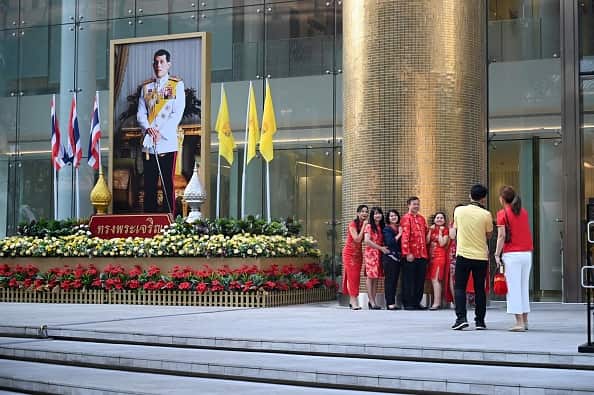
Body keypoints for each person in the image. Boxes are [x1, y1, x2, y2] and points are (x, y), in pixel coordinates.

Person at [137, 49, 185, 215]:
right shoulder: (146, 88)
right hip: (149, 143)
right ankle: (149, 219)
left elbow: (177, 113)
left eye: (162, 62)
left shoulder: (176, 85)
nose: (158, 65)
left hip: (167, 142)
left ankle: (168, 218)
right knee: (149, 184)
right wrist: (148, 128)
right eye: (156, 62)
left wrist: (159, 132)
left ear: (168, 64)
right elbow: (140, 113)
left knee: (167, 184)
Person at [451, 184, 493, 330]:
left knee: (459, 287)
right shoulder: (486, 214)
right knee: (479, 288)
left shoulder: (459, 210)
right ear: (483, 198)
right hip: (481, 256)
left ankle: (461, 318)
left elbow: (454, 231)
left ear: (470, 195)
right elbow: (489, 235)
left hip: (463, 254)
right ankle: (480, 321)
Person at [494, 186, 533, 332]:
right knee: (523, 287)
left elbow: (501, 236)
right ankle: (525, 320)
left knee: (514, 289)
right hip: (526, 253)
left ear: (502, 199)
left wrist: (497, 254)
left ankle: (519, 323)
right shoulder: (523, 212)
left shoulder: (502, 213)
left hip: (512, 254)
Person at [400, 196, 429, 310]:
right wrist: (407, 253)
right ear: (409, 205)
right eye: (414, 204)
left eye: (417, 204)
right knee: (408, 279)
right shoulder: (405, 218)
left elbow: (425, 233)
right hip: (411, 254)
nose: (416, 206)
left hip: (422, 253)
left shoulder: (422, 219)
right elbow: (405, 237)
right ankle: (408, 303)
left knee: (420, 279)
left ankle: (417, 301)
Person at [342, 204, 369, 310]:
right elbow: (357, 239)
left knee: (356, 277)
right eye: (362, 211)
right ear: (358, 213)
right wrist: (364, 227)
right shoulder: (352, 224)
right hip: (349, 254)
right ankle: (354, 302)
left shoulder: (366, 224)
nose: (365, 213)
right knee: (353, 277)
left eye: (366, 211)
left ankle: (351, 300)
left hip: (358, 254)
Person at [363, 207, 389, 309]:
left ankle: (373, 301)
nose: (378, 215)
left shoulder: (382, 227)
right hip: (371, 253)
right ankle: (371, 301)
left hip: (379, 254)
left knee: (376, 277)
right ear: (372, 216)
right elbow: (367, 241)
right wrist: (380, 248)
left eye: (379, 213)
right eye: (375, 214)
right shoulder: (369, 226)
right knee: (370, 277)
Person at [426, 211, 449, 310]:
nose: (439, 219)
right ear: (434, 219)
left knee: (436, 279)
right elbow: (426, 241)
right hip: (431, 257)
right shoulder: (431, 229)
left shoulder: (445, 230)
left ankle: (437, 303)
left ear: (444, 220)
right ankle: (436, 302)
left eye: (441, 218)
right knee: (433, 279)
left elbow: (442, 243)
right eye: (437, 218)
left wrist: (440, 232)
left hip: (440, 256)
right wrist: (430, 231)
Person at [382, 209, 403, 310]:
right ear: (388, 218)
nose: (393, 217)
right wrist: (399, 234)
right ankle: (389, 303)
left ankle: (393, 303)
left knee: (395, 281)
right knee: (390, 281)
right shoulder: (387, 229)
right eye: (391, 216)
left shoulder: (399, 228)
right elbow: (390, 242)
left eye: (395, 215)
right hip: (389, 258)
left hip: (398, 258)